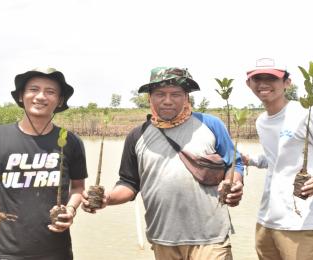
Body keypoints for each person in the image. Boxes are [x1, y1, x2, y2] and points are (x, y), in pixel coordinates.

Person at [82, 67, 244, 260]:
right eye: (160, 94)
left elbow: (234, 164)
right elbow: (129, 183)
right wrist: (108, 198)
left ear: (186, 97)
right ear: (149, 98)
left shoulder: (210, 124)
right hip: (162, 238)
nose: (168, 101)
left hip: (211, 237)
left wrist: (234, 183)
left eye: (175, 94)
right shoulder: (137, 135)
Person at [0, 68, 87, 260]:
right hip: (0, 250)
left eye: (50, 92)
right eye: (33, 89)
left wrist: (71, 210)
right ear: (21, 96)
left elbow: (78, 188)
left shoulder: (70, 142)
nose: (40, 96)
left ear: (60, 101)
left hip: (55, 250)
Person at [243, 58, 313, 260]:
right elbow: (276, 159)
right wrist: (251, 159)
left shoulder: (305, 113)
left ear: (287, 83)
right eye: (257, 78)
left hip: (302, 221)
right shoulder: (261, 121)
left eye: (271, 78)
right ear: (248, 84)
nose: (263, 83)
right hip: (267, 219)